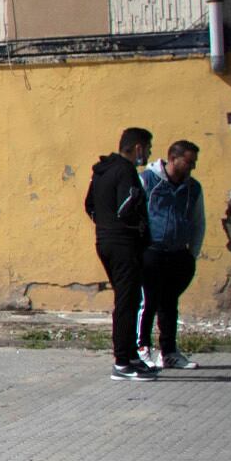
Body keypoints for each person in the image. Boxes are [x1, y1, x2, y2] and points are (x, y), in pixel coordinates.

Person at [86, 125, 155, 380]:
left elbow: (89, 205)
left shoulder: (102, 171)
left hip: (106, 240)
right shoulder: (125, 171)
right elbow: (128, 205)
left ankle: (132, 356)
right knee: (127, 302)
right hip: (123, 244)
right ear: (137, 148)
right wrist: (134, 226)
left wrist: (105, 224)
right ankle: (122, 362)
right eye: (147, 148)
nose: (148, 153)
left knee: (130, 299)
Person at [139, 138, 205, 369]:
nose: (192, 167)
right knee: (147, 302)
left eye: (194, 162)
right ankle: (142, 349)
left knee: (169, 304)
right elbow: (135, 214)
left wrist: (191, 254)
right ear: (173, 158)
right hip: (152, 251)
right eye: (189, 162)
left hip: (178, 254)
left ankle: (168, 352)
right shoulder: (148, 181)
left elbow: (198, 222)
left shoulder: (192, 188)